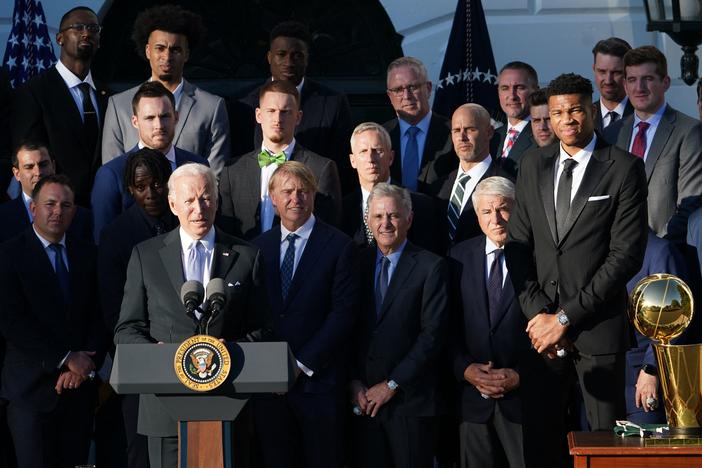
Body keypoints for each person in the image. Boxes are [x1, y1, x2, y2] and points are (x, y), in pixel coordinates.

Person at [505, 73, 647, 467]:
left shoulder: (623, 168)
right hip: (540, 336)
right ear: (548, 118)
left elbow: (624, 257)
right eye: (557, 113)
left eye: (575, 110)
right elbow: (518, 248)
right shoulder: (532, 163)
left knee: (604, 452)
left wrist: (565, 318)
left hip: (597, 331)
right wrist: (540, 316)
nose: (567, 119)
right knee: (542, 447)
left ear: (592, 111)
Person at [114, 163, 268, 468]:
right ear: (173, 205)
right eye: (189, 200)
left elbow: (264, 327)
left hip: (229, 405)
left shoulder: (247, 255)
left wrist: (232, 351)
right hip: (164, 411)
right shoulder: (146, 256)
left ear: (217, 201)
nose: (199, 208)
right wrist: (155, 356)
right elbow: (126, 329)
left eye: (206, 198)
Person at [251, 161, 358, 468]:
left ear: (313, 195)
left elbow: (343, 315)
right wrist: (271, 367)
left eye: (303, 191)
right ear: (273, 197)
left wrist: (299, 365)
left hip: (319, 386)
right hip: (269, 390)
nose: (295, 198)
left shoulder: (339, 246)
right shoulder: (258, 248)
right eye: (287, 191)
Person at [0, 174, 106, 468]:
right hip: (30, 394)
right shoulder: (9, 255)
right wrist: (65, 358)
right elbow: (12, 322)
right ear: (33, 209)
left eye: (66, 205)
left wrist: (84, 365)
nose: (58, 211)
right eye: (50, 204)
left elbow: (100, 316)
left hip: (78, 392)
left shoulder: (88, 255)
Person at [350, 183, 449, 468]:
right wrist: (353, 381)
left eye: (393, 216)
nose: (386, 224)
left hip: (409, 403)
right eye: (379, 217)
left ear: (409, 218)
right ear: (368, 221)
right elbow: (348, 327)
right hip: (364, 401)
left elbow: (432, 336)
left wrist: (393, 384)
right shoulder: (356, 263)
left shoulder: (431, 267)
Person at [97, 148, 175, 468]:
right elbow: (112, 306)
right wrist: (143, 349)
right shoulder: (116, 235)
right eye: (141, 187)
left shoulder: (182, 223)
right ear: (130, 189)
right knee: (140, 448)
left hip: (181, 349)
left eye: (157, 185)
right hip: (137, 357)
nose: (151, 193)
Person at [449, 176, 528, 468]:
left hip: (523, 403)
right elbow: (446, 328)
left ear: (517, 208)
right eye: (486, 211)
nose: (495, 218)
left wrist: (521, 375)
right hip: (472, 403)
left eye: (503, 208)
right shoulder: (458, 258)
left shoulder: (538, 257)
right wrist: (466, 369)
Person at [101, 4, 230, 175]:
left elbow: (215, 175)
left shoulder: (211, 107)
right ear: (148, 51)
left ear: (187, 54)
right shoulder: (119, 105)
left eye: (175, 49)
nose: (167, 57)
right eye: (160, 48)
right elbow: (113, 171)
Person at [237, 21, 354, 192]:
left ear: (307, 58)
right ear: (269, 57)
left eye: (297, 55)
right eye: (281, 54)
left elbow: (342, 168)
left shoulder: (332, 103)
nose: (289, 62)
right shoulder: (244, 104)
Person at [219, 79, 342, 240]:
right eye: (271, 111)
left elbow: (329, 234)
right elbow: (226, 235)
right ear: (258, 115)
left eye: (285, 112)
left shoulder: (321, 169)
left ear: (298, 117)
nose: (278, 119)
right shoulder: (233, 171)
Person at [12, 6, 110, 206]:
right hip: (57, 206)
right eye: (79, 27)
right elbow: (30, 154)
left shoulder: (108, 95)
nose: (86, 33)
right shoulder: (34, 91)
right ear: (60, 39)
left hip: (102, 204)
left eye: (93, 28)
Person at [608, 45, 702, 243]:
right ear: (625, 85)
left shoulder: (689, 131)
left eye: (648, 79)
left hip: (665, 253)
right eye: (632, 80)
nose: (639, 88)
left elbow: (690, 204)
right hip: (613, 256)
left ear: (665, 82)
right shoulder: (611, 134)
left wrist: (655, 250)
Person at [91, 81, 207, 241]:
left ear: (176, 117)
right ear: (135, 121)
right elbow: (103, 239)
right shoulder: (112, 174)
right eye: (150, 118)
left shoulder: (197, 167)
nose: (158, 125)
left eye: (165, 116)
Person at [343, 122, 439, 252]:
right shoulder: (342, 208)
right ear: (352, 160)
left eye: (378, 151)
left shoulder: (420, 204)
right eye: (363, 151)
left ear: (391, 157)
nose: (371, 158)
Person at [625, 231, 687, 425]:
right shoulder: (596, 247)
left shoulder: (659, 251)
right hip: (599, 378)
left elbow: (674, 317)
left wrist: (651, 369)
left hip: (639, 381)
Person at [438, 103, 511, 247]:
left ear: (489, 132)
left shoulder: (508, 185)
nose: (462, 137)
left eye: (470, 129)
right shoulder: (438, 186)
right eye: (456, 130)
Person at [383, 57, 456, 196]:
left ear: (428, 88)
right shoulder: (382, 136)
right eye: (398, 90)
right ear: (389, 96)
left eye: (413, 87)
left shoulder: (454, 133)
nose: (407, 96)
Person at [0, 141, 92, 242]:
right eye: (29, 167)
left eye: (43, 165)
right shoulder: (3, 218)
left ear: (53, 166)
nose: (38, 172)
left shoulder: (81, 217)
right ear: (16, 173)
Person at [493, 61, 538, 178]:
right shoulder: (491, 138)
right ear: (498, 93)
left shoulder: (544, 136)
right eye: (505, 88)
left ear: (536, 91)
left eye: (520, 88)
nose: (512, 96)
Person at [592, 37, 633, 135]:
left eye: (616, 73)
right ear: (594, 69)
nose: (608, 80)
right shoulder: (584, 117)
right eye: (602, 72)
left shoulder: (643, 116)